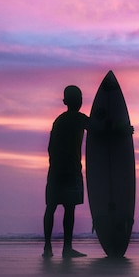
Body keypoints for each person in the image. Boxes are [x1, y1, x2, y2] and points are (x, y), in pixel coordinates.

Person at [43, 85, 89, 258]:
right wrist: (122, 129)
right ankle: (67, 248)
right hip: (71, 171)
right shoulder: (79, 119)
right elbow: (99, 129)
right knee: (69, 209)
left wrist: (54, 164)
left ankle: (47, 247)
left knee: (51, 207)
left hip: (55, 170)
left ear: (65, 101)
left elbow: (50, 146)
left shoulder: (59, 120)